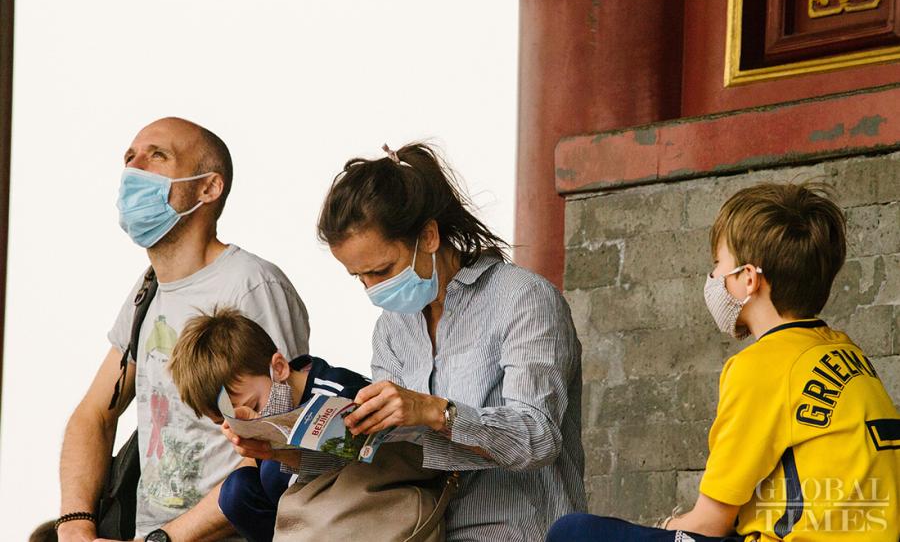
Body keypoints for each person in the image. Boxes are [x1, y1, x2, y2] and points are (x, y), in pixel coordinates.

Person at [547, 183, 900, 541]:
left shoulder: (762, 366)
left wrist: (661, 528)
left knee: (574, 531)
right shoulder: (846, 352)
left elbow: (709, 523)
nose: (714, 277)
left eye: (719, 264)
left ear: (748, 278)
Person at [274, 142, 582, 540]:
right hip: (418, 529)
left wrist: (436, 411)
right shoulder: (392, 330)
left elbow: (538, 437)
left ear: (430, 236)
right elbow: (392, 453)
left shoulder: (523, 298)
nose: (371, 289)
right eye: (359, 277)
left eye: (383, 270)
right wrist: (291, 453)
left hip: (520, 529)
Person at [57, 117, 311, 542]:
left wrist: (164, 539)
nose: (135, 169)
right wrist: (75, 526)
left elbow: (278, 446)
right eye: (130, 158)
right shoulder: (148, 290)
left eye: (158, 156)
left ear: (209, 187)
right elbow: (92, 415)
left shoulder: (250, 285)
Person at [168, 306, 371, 542]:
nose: (245, 421)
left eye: (253, 406)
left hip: (358, 508)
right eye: (225, 422)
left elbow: (374, 457)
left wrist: (280, 453)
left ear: (279, 368)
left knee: (273, 471)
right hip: (303, 517)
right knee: (236, 491)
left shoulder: (339, 390)